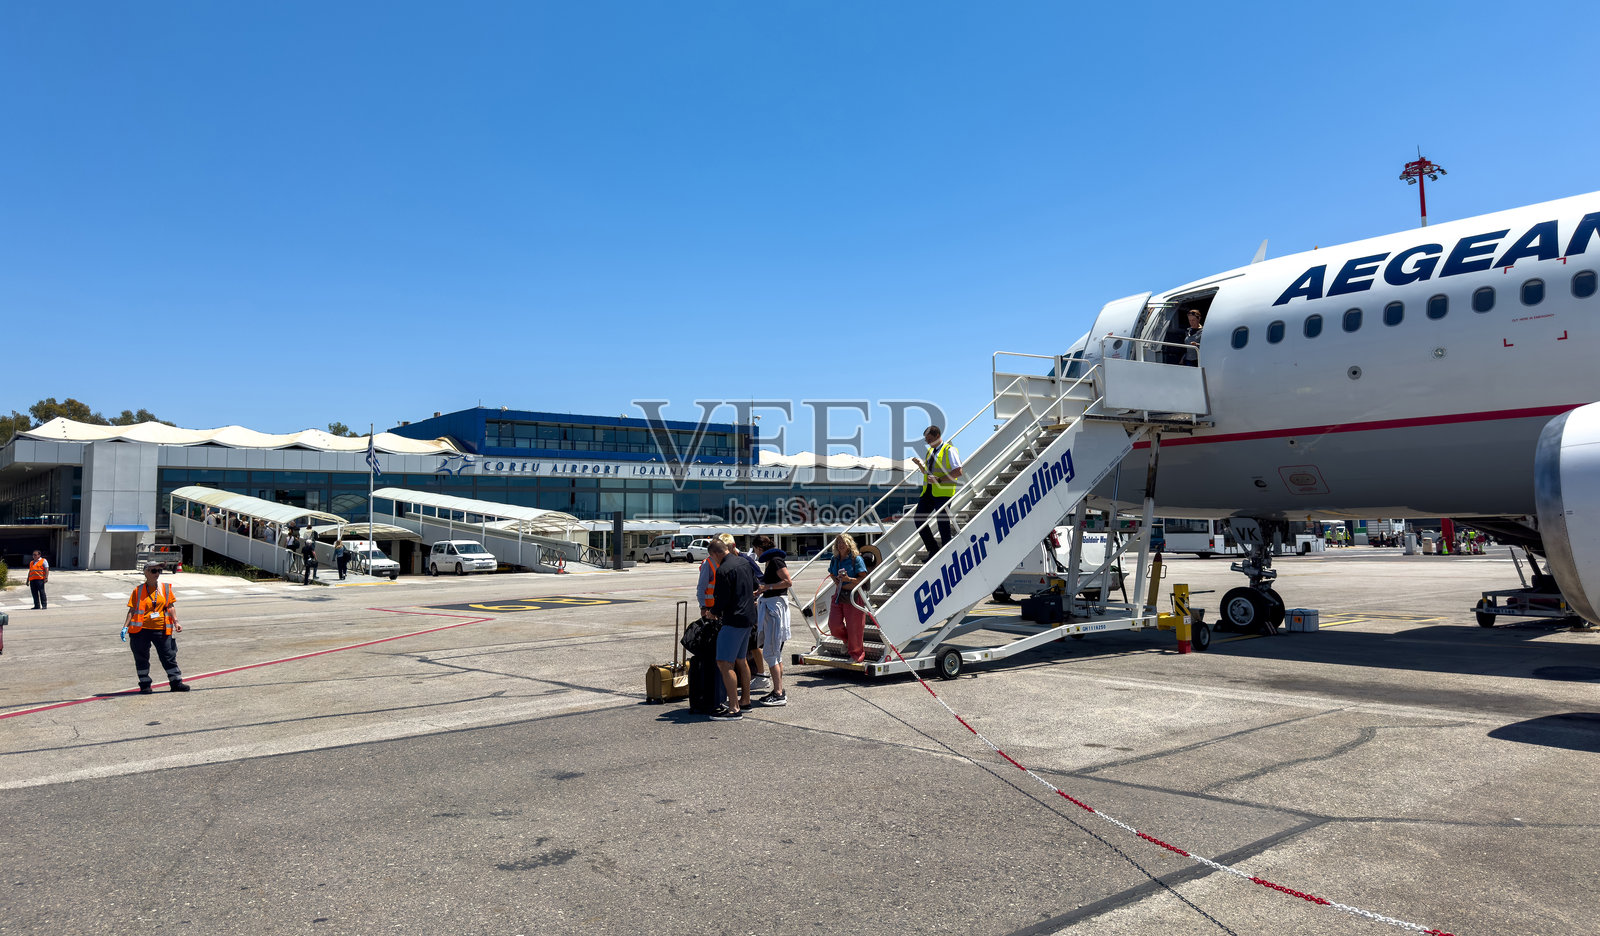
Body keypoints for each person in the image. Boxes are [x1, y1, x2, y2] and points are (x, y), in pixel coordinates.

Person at [706, 539, 756, 721]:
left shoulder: (723, 570)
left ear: (714, 554)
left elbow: (722, 599)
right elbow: (755, 586)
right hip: (749, 617)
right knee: (741, 660)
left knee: (724, 663)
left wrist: (713, 612)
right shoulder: (743, 561)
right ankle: (745, 700)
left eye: (711, 558)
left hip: (733, 620)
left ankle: (734, 708)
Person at [124, 563, 189, 694]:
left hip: (161, 629)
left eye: (159, 570)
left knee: (168, 656)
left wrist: (176, 622)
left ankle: (176, 682)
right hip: (140, 631)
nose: (157, 573)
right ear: (146, 572)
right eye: (153, 570)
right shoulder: (138, 590)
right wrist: (125, 627)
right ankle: (145, 684)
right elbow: (132, 610)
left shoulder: (164, 589)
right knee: (141, 657)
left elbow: (170, 606)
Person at [910, 426, 963, 559]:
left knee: (942, 523)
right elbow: (929, 474)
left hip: (943, 492)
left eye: (930, 440)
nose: (928, 443)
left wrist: (939, 479)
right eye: (926, 440)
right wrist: (920, 466)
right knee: (919, 519)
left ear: (938, 436)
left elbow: (958, 471)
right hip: (928, 492)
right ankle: (933, 549)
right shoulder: (930, 452)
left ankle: (946, 553)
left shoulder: (949, 450)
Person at [752, 535, 792, 706]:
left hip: (775, 608)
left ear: (759, 548)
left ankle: (779, 693)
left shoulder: (775, 561)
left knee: (770, 652)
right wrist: (762, 592)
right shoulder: (772, 560)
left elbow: (788, 582)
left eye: (754, 549)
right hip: (771, 605)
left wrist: (766, 587)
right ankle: (778, 689)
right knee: (775, 652)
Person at [827, 533, 869, 663]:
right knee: (833, 625)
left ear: (849, 544)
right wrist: (837, 581)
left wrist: (848, 579)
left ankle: (856, 655)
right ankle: (846, 640)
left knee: (855, 627)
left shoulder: (856, 559)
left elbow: (864, 578)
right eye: (838, 542)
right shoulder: (835, 559)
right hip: (839, 594)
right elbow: (831, 573)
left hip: (853, 595)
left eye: (843, 542)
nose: (840, 545)